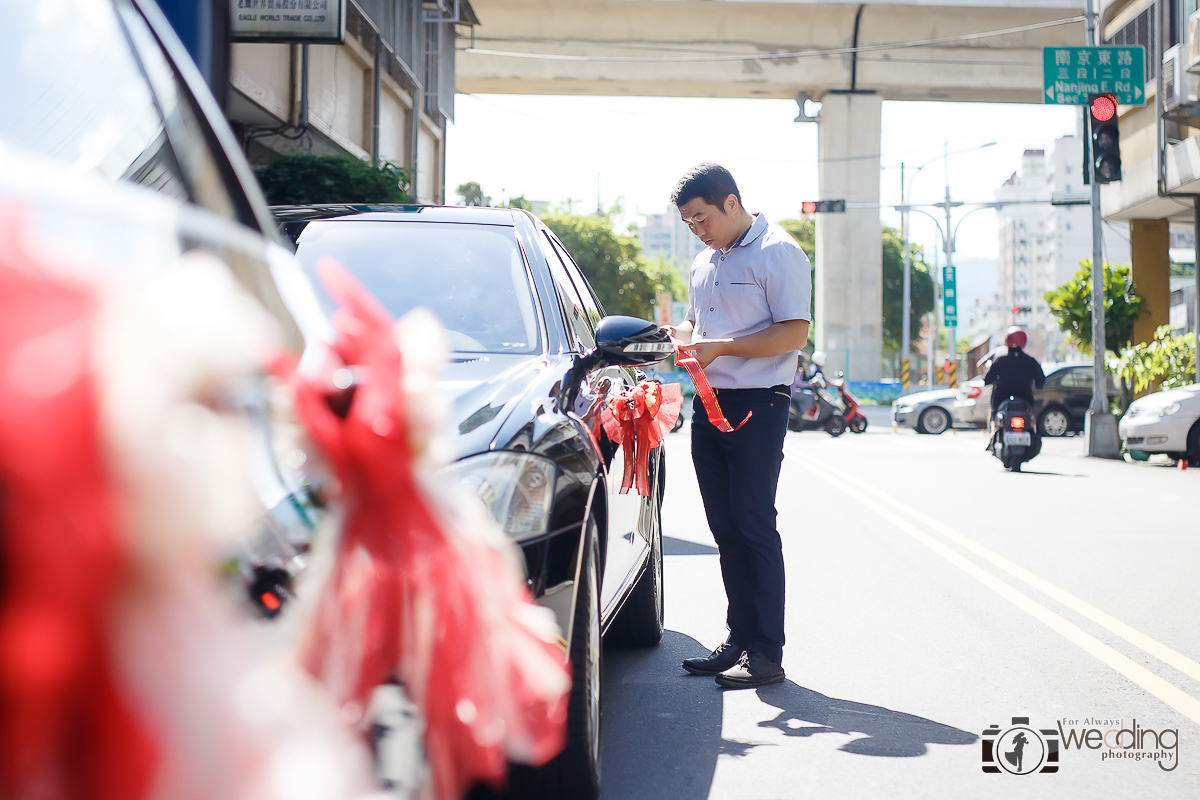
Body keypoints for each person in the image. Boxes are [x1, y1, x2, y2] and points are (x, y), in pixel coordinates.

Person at [664, 163, 812, 689]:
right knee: (724, 528)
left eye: (702, 218)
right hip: (709, 403)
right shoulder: (706, 262)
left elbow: (794, 332)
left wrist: (724, 347)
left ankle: (767, 652)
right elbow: (695, 325)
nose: (697, 231)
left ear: (731, 202)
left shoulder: (779, 251)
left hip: (757, 402)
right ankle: (740, 637)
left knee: (752, 524)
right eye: (688, 224)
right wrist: (671, 336)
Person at [984, 326, 1045, 441]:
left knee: (994, 415)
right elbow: (1041, 382)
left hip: (1001, 399)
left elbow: (987, 380)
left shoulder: (1001, 360)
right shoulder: (1030, 361)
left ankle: (993, 437)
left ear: (1007, 341)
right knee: (1031, 421)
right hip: (1025, 399)